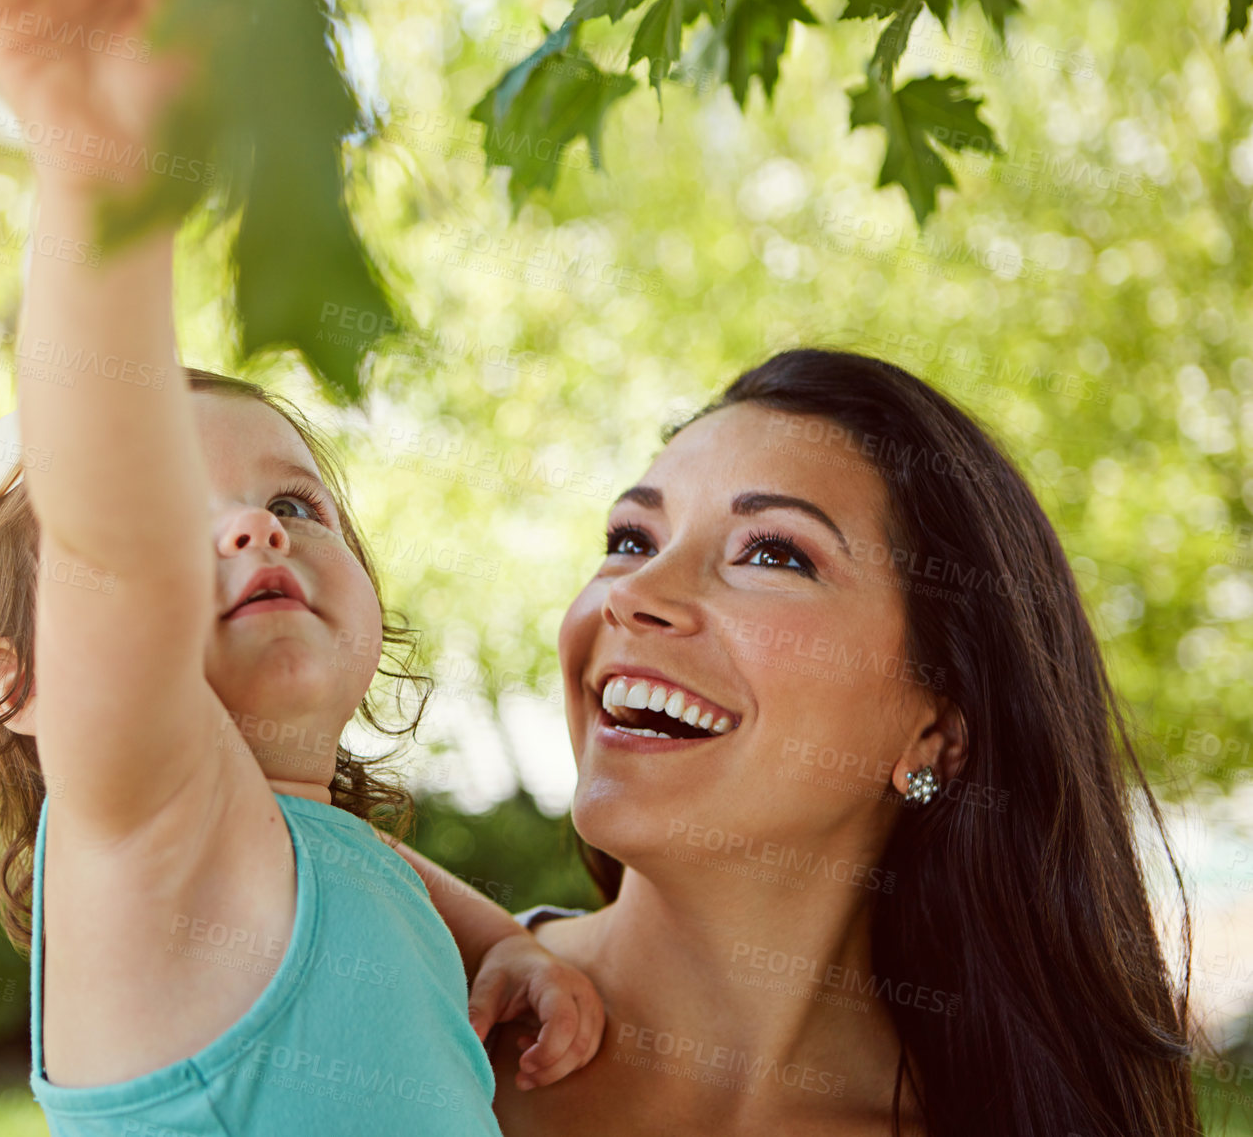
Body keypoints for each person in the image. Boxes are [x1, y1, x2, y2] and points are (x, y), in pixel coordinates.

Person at [0, 0, 602, 1132]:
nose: (258, 528)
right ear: (16, 679)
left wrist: (509, 941)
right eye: (180, 508)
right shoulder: (147, 833)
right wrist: (96, 161)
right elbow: (112, 552)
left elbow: (365, 860)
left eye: (296, 501)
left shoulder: (296, 849)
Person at [491, 349, 1199, 1137]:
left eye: (772, 553)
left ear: (934, 733)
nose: (633, 593)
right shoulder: (403, 992)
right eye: (631, 537)